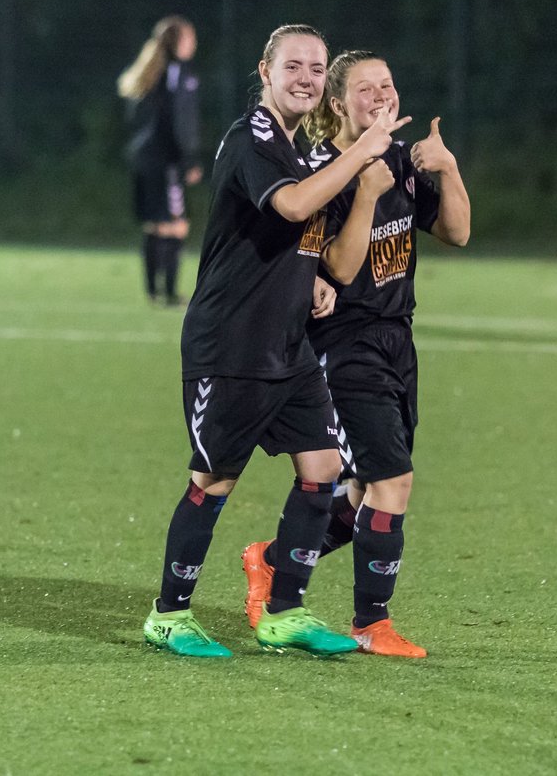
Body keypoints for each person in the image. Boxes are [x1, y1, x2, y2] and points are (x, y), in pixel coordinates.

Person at [142, 26, 409, 658]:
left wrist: (317, 280)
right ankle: (168, 614)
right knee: (213, 479)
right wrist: (365, 151)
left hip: (287, 347)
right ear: (265, 71)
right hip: (230, 345)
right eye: (294, 66)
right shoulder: (250, 139)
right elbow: (290, 208)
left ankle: (284, 611)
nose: (307, 79)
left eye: (317, 69)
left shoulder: (294, 148)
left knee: (322, 472)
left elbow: (298, 238)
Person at [241, 50, 470, 658]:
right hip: (343, 345)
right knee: (393, 481)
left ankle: (269, 559)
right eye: (366, 89)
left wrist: (447, 170)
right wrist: (365, 188)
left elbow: (457, 232)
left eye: (388, 85)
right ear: (338, 104)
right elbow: (336, 272)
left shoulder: (399, 157)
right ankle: (372, 624)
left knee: (365, 488)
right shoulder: (326, 171)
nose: (380, 96)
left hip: (398, 339)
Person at [117, 15, 203, 306]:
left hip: (143, 159)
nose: (193, 43)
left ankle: (153, 292)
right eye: (189, 37)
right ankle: (169, 293)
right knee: (176, 224)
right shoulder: (178, 74)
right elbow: (179, 123)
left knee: (154, 224)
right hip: (167, 161)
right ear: (177, 42)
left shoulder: (147, 73)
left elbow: (135, 120)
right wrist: (188, 160)